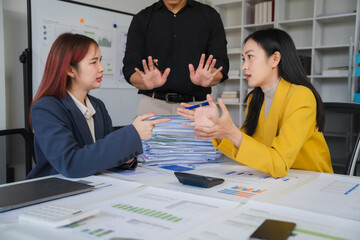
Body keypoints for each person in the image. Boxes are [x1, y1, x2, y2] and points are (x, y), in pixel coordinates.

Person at [177, 28, 333, 178]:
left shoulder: (301, 96)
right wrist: (219, 129)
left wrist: (232, 132)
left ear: (274, 59)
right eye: (243, 59)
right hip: (276, 179)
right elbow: (248, 151)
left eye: (250, 57)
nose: (244, 66)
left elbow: (279, 163)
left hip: (312, 181)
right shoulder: (255, 99)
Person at [27, 33, 170, 179]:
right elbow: (71, 163)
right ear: (70, 70)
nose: (101, 68)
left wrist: (126, 156)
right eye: (93, 62)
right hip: (56, 188)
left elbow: (102, 155)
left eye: (100, 61)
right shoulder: (46, 108)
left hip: (93, 185)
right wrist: (132, 135)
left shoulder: (97, 105)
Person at [123, 0, 229, 115]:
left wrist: (210, 77)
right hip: (153, 106)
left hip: (198, 107)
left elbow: (221, 65)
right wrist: (143, 81)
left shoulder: (210, 16)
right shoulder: (141, 18)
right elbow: (130, 68)